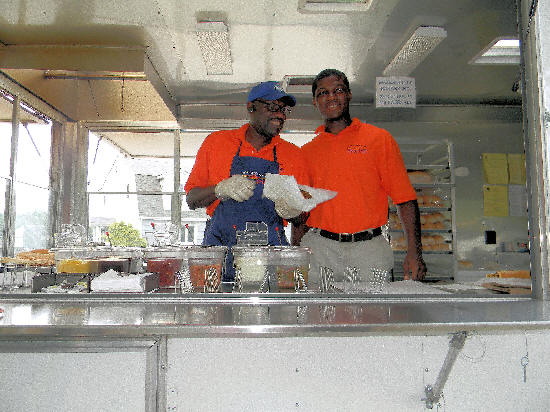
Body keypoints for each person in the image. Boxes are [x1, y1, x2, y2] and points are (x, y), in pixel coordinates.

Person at [294, 69, 426, 285]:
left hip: (369, 250)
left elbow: (405, 199)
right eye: (323, 93)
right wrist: (296, 255)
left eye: (338, 90)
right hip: (320, 249)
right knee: (319, 315)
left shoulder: (379, 139)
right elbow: (301, 213)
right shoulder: (306, 152)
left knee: (371, 315)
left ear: (349, 95)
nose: (331, 97)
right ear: (314, 102)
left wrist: (415, 253)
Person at [185, 81, 309, 281]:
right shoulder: (216, 143)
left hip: (270, 260)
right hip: (220, 254)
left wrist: (294, 211)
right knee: (219, 311)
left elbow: (302, 218)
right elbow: (191, 200)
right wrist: (220, 189)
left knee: (271, 311)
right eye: (272, 107)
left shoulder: (294, 155)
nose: (280, 114)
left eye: (284, 109)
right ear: (251, 107)